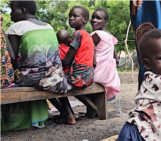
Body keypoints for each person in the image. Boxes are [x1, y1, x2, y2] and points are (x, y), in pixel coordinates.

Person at [0, 0, 68, 131]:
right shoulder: (48, 26)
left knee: (9, 79)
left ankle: (17, 119)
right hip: (57, 76)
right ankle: (66, 113)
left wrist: (5, 35)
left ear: (23, 11)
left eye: (12, 10)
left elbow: (12, 58)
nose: (11, 14)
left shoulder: (16, 27)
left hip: (34, 77)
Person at [49, 6, 95, 125]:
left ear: (84, 20)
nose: (71, 18)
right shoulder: (88, 36)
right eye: (70, 16)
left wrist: (52, 63)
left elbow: (67, 61)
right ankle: (70, 114)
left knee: (53, 84)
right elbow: (93, 61)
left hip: (78, 77)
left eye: (75, 16)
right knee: (60, 82)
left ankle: (68, 115)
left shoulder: (77, 34)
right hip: (88, 76)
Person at [90, 7, 120, 100]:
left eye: (98, 18)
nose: (94, 20)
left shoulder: (96, 34)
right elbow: (116, 59)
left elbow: (90, 51)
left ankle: (92, 111)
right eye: (93, 17)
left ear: (105, 21)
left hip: (98, 69)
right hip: (108, 72)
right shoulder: (109, 36)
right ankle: (94, 111)